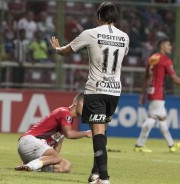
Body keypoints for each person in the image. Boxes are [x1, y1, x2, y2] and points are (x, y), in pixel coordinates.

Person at [49, 2, 129, 184]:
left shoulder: (90, 33)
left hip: (96, 89)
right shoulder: (125, 37)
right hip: (114, 91)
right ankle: (95, 173)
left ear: (99, 16)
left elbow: (65, 52)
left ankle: (105, 178)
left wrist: (56, 48)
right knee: (102, 131)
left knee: (98, 133)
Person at [134, 37, 180, 153]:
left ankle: (171, 145)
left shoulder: (152, 58)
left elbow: (146, 77)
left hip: (152, 90)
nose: (170, 47)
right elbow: (174, 79)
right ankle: (139, 144)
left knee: (162, 120)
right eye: (168, 45)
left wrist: (142, 94)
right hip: (158, 92)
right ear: (162, 46)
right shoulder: (165, 60)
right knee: (151, 118)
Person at [15, 93, 92, 173]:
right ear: (75, 102)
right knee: (57, 158)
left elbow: (56, 149)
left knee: (66, 166)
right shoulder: (65, 113)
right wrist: (86, 133)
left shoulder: (65, 124)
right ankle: (31, 166)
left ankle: (28, 166)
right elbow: (69, 134)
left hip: (32, 148)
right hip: (29, 141)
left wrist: (53, 159)